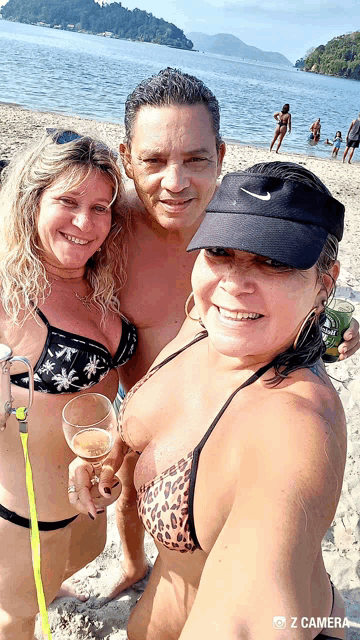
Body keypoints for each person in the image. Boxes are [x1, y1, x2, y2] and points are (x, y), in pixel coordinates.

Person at [70, 161, 348, 640]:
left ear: (325, 282)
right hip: (166, 596)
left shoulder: (296, 423)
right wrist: (112, 461)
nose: (234, 283)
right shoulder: (203, 319)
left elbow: (252, 611)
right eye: (220, 251)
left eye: (275, 261)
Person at [111, 69, 359, 597]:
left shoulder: (246, 215)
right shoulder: (104, 227)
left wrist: (338, 321)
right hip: (147, 397)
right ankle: (133, 566)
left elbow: (300, 281)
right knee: (133, 495)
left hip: (233, 407)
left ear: (221, 156)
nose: (175, 182)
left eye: (195, 159)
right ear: (126, 157)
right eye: (153, 160)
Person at [0, 130, 137, 639]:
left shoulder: (105, 277)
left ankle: (52, 585)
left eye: (101, 207)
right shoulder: (9, 291)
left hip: (85, 498)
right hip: (25, 519)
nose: (85, 222)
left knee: (78, 558)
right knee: (17, 617)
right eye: (68, 201)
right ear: (32, 200)